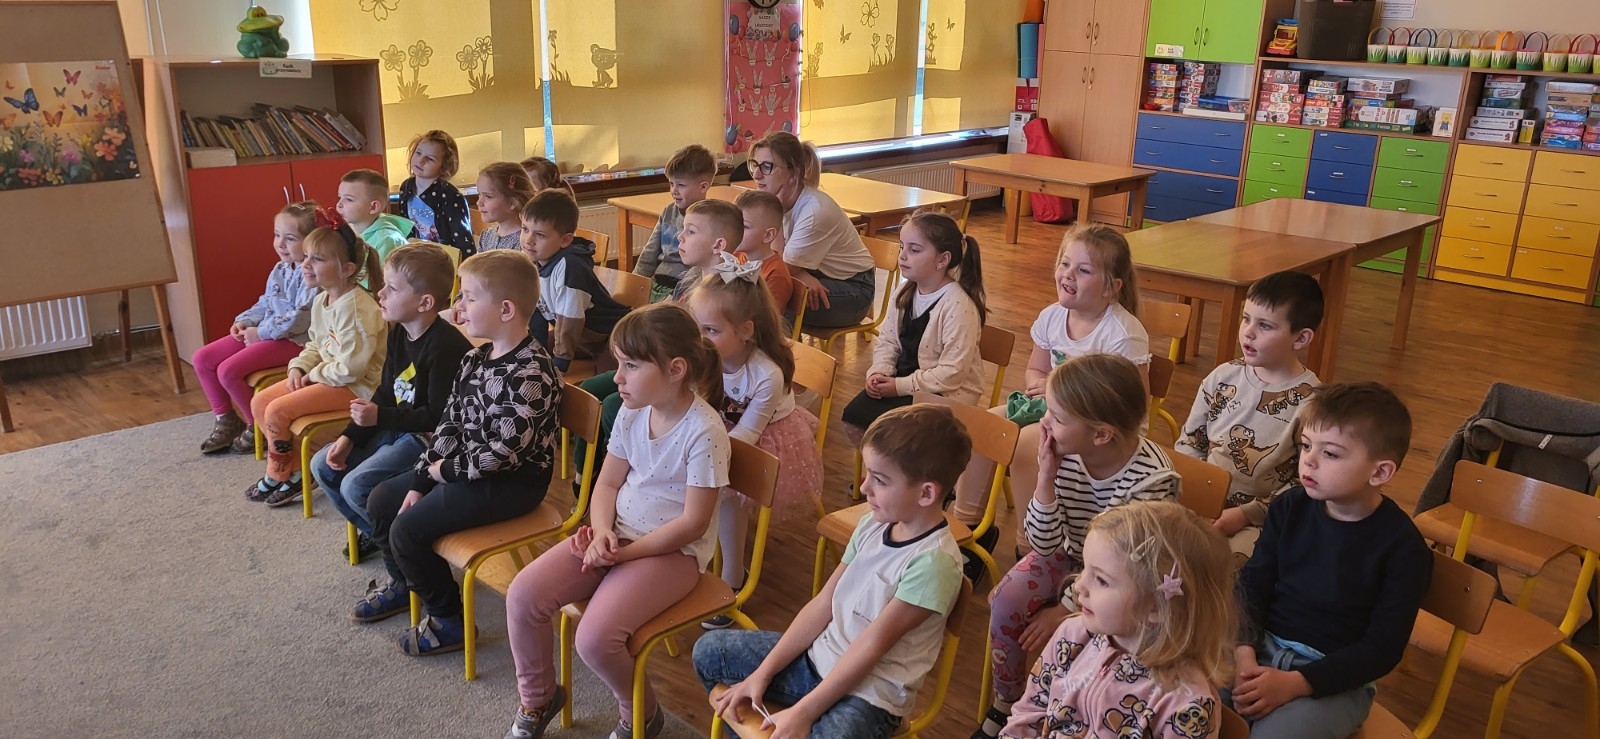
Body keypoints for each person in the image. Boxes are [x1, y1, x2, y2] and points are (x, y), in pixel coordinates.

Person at [503, 303, 730, 739]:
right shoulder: (631, 409)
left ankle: (640, 713)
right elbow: (606, 484)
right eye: (619, 363)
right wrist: (602, 532)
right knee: (524, 595)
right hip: (616, 538)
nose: (617, 377)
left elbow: (693, 525)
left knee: (594, 639)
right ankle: (538, 697)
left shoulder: (705, 431)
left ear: (676, 369)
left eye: (631, 366)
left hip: (672, 554)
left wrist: (622, 555)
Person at [694, 403, 968, 739]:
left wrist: (804, 712)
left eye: (880, 480)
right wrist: (761, 675)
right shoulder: (872, 523)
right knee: (709, 652)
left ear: (927, 493)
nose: (864, 488)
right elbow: (823, 604)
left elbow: (871, 646)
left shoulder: (934, 563)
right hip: (818, 661)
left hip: (869, 694)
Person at [351, 250, 563, 657]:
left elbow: (501, 455)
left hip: (512, 484)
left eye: (468, 297)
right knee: (382, 500)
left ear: (505, 310)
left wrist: (441, 473)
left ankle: (448, 620)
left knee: (407, 530)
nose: (458, 306)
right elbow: (450, 423)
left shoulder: (532, 373)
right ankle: (408, 583)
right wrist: (420, 478)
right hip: (465, 469)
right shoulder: (475, 358)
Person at [977, 354, 1180, 739]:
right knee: (1006, 599)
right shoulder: (1062, 453)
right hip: (1070, 555)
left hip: (1123, 577)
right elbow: (1042, 543)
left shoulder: (1151, 481)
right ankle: (1008, 702)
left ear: (1101, 434)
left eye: (1056, 417)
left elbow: (1125, 566)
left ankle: (1069, 712)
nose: (1044, 423)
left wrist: (1064, 608)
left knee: (1087, 634)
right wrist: (1045, 479)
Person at [1229, 382, 1431, 739]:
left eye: (1331, 454)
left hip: (1335, 681)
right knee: (1183, 700)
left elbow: (1382, 650)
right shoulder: (1289, 508)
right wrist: (1244, 654)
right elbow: (1251, 587)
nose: (1309, 460)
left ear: (1380, 473)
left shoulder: (1404, 550)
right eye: (1306, 445)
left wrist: (1296, 683)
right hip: (1259, 649)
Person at [951, 222, 1152, 558]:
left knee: (1029, 444)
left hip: (1102, 429)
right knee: (981, 425)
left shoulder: (1122, 334)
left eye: (1083, 270)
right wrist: (1042, 387)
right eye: (1064, 263)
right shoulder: (1052, 316)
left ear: (1111, 287)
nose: (1068, 274)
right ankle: (969, 532)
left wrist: (1059, 394)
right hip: (1052, 410)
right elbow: (1035, 370)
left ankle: (1030, 548)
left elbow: (1134, 405)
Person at [1001, 500, 1237, 739]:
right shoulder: (1071, 635)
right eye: (1085, 569)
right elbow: (1028, 713)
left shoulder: (1188, 705)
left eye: (1101, 580)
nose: (1079, 585)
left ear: (1156, 608)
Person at [310, 243, 471, 563]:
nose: (380, 293)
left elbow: (436, 418)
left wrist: (379, 417)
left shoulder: (446, 347)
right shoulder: (398, 333)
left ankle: (404, 555)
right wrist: (349, 436)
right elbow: (387, 391)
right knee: (322, 466)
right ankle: (387, 538)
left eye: (392, 288)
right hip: (398, 427)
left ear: (425, 303)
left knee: (355, 487)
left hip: (429, 440)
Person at [687, 259, 823, 629]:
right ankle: (689, 561)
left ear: (746, 330)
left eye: (711, 330)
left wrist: (702, 455)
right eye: (697, 327)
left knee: (725, 493)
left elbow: (748, 433)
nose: (700, 339)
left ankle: (733, 578)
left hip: (763, 437)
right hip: (722, 429)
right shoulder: (707, 354)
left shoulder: (767, 374)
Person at [1176, 271, 1324, 563]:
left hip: (1261, 520)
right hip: (1198, 502)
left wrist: (1245, 515)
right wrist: (1193, 496)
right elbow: (1191, 443)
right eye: (1246, 319)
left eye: (1265, 325)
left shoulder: (1314, 404)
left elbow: (1306, 482)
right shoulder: (1222, 377)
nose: (1248, 332)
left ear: (1301, 338)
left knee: (1225, 565)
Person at [246, 219, 388, 507]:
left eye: (318, 259)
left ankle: (287, 473)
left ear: (347, 269)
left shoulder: (356, 308)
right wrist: (299, 366)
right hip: (330, 377)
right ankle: (291, 467)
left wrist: (314, 375)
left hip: (358, 387)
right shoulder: (323, 300)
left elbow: (351, 369)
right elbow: (315, 344)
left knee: (277, 410)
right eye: (306, 256)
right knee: (261, 402)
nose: (306, 264)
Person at [841, 209, 986, 436]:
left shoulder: (959, 305)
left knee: (896, 437)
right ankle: (883, 461)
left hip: (946, 394)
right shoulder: (904, 292)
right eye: (902, 247)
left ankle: (895, 461)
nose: (902, 256)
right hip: (907, 383)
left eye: (914, 250)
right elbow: (888, 342)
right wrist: (879, 372)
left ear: (942, 260)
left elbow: (952, 373)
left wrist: (899, 387)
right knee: (853, 419)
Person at [194, 200, 320, 455]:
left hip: (295, 340)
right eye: (276, 235)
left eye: (290, 238)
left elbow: (300, 318)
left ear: (311, 242)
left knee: (228, 370)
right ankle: (226, 419)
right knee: (202, 359)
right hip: (267, 332)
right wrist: (246, 321)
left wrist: (260, 333)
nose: (280, 244)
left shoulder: (313, 272)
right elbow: (266, 302)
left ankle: (257, 426)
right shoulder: (280, 268)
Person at [748, 131, 875, 328]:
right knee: (752, 288)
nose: (756, 174)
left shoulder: (815, 211)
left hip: (855, 289)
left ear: (793, 174)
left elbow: (780, 268)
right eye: (755, 165)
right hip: (815, 273)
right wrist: (800, 274)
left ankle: (780, 346)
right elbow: (769, 259)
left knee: (774, 293)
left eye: (767, 167)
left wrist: (776, 215)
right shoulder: (774, 201)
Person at [520, 189, 629, 373]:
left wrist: (558, 368)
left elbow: (570, 321)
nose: (528, 240)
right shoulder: (533, 260)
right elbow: (536, 312)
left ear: (565, 240)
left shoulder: (570, 266)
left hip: (611, 337)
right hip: (582, 339)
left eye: (540, 235)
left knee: (612, 379)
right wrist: (538, 358)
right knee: (526, 352)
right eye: (525, 229)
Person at [635, 144, 716, 303]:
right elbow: (649, 253)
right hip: (657, 284)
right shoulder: (668, 211)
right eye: (671, 184)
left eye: (681, 185)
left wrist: (678, 296)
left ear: (703, 187)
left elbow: (702, 266)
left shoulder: (710, 219)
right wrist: (635, 283)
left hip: (685, 291)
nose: (674, 190)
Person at [396, 129, 474, 257]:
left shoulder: (451, 197)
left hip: (445, 260)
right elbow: (406, 226)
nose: (421, 160)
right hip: (416, 256)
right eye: (418, 153)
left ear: (444, 166)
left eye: (430, 159)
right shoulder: (406, 186)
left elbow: (463, 240)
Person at [734, 189, 795, 312]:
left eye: (744, 226)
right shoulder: (735, 256)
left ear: (767, 235)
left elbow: (766, 319)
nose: (735, 230)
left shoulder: (776, 274)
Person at [337, 168, 415, 264]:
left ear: (373, 207)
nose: (339, 204)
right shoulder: (348, 230)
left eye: (349, 199)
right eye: (340, 197)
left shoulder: (387, 241)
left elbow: (381, 273)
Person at [474, 162, 539, 254]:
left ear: (512, 202)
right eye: (479, 194)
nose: (479, 202)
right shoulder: (486, 235)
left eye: (488, 196)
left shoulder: (526, 241)